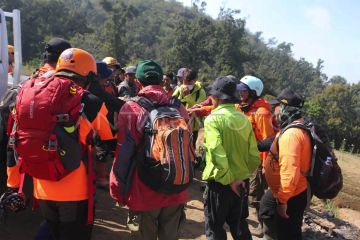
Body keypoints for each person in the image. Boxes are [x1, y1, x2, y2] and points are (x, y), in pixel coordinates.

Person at [16, 48, 114, 240]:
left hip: (41, 184)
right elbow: (108, 134)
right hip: (74, 190)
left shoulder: (30, 92)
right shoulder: (89, 100)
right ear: (88, 76)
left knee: (53, 232)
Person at [110, 60, 190, 240]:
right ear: (162, 82)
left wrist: (117, 188)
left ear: (138, 82)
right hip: (176, 188)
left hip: (143, 191)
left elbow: (123, 154)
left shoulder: (131, 109)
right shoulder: (179, 108)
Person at [202, 76, 261, 240]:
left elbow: (215, 151)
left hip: (220, 183)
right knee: (240, 226)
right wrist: (242, 176)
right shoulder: (244, 119)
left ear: (216, 97)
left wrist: (230, 179)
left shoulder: (213, 119)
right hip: (242, 183)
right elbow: (254, 157)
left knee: (215, 228)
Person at [260, 88, 311, 240]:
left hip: (290, 194)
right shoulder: (296, 127)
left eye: (276, 106)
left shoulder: (291, 135)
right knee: (269, 211)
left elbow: (290, 172)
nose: (274, 111)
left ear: (285, 108)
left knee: (287, 233)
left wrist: (282, 201)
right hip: (292, 191)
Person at [235, 76, 276, 236]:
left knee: (256, 195)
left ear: (252, 92)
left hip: (258, 160)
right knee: (243, 190)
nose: (240, 93)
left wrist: (266, 165)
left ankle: (264, 227)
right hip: (245, 157)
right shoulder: (245, 107)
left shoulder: (261, 113)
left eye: (243, 90)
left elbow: (268, 141)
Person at [172, 68, 206, 148]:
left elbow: (198, 106)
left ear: (194, 81)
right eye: (184, 82)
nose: (186, 85)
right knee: (180, 145)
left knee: (191, 146)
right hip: (180, 122)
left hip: (194, 125)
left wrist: (187, 96)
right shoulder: (180, 89)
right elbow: (172, 100)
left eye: (188, 82)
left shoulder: (200, 92)